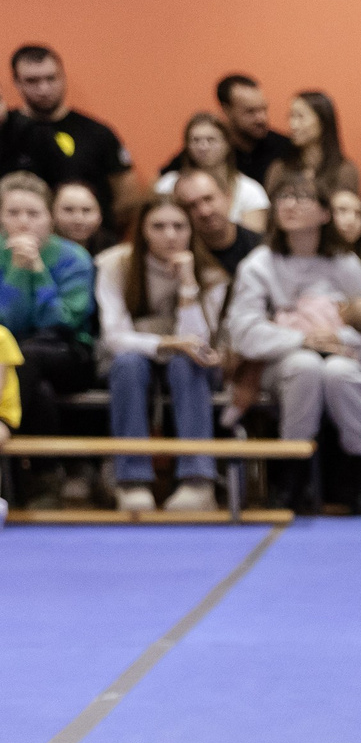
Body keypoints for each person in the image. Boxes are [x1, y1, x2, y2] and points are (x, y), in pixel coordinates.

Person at [230, 171, 361, 515]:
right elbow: (242, 331)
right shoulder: (259, 264)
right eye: (284, 197)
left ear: (324, 214)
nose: (290, 205)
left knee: (339, 373)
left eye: (303, 198)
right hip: (279, 364)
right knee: (304, 366)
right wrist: (301, 338)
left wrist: (339, 337)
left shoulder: (345, 264)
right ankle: (292, 476)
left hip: (344, 357)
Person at [92, 194, 229, 513]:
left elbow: (197, 343)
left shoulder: (211, 275)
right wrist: (166, 344)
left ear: (191, 231)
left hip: (191, 364)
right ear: (142, 231)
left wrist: (186, 284)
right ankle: (132, 480)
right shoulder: (115, 265)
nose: (170, 235)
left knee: (187, 363)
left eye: (179, 226)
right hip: (131, 359)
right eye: (159, 226)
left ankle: (198, 480)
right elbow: (114, 337)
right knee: (128, 363)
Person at [0, 171, 97, 450]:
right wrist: (17, 271)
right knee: (37, 390)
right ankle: (42, 478)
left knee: (25, 355)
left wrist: (39, 272)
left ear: (50, 217)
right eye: (13, 212)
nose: (23, 221)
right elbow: (5, 323)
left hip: (68, 353)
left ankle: (2, 424)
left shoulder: (74, 258)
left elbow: (62, 322)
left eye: (33, 213)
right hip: (12, 353)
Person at [3, 46, 135, 222]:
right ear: (17, 82)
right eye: (32, 81)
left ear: (63, 77)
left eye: (51, 78)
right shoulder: (5, 129)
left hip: (86, 239)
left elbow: (128, 198)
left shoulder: (97, 133)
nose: (43, 89)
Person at [157, 75, 294, 197]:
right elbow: (161, 181)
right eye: (250, 111)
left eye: (263, 109)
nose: (261, 118)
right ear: (226, 110)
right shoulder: (208, 148)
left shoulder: (284, 146)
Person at [153, 112, 269, 235]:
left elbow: (253, 244)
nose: (203, 146)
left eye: (211, 140)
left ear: (227, 144)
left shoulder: (250, 190)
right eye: (196, 140)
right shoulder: (167, 185)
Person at [273, 92, 361, 202]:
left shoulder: (344, 171)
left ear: (323, 121)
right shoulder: (280, 169)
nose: (293, 125)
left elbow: (347, 214)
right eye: (291, 116)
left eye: (300, 116)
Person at [170, 168, 256, 279]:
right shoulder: (180, 256)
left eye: (208, 199)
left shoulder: (261, 248)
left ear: (228, 196)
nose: (204, 211)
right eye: (191, 206)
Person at [48, 179, 105, 258]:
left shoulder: (112, 253)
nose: (78, 219)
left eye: (86, 210)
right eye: (68, 209)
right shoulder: (41, 251)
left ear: (100, 215)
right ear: (51, 213)